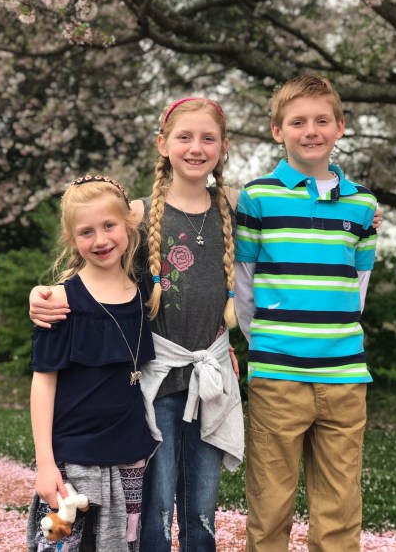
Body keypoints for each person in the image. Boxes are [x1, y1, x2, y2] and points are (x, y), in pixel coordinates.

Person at [28, 97, 245, 552]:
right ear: (163, 144)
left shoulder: (233, 207)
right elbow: (96, 255)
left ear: (224, 146)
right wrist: (43, 295)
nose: (196, 147)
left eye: (208, 138)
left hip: (209, 378)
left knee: (202, 512)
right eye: (184, 137)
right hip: (157, 382)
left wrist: (365, 217)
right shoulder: (138, 215)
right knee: (153, 512)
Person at [235, 75, 378, 552]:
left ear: (340, 126)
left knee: (340, 507)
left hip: (344, 376)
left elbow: (357, 290)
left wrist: (332, 335)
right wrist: (269, 342)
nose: (311, 131)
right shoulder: (257, 197)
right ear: (278, 130)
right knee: (270, 505)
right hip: (278, 375)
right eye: (298, 122)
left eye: (321, 120)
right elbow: (245, 285)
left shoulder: (363, 205)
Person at [26, 175, 157, 552]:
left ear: (128, 226)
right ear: (71, 239)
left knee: (122, 544)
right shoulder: (60, 302)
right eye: (86, 231)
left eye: (109, 225)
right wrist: (45, 464)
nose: (100, 240)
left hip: (130, 455)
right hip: (73, 458)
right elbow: (44, 382)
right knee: (60, 544)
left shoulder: (144, 293)